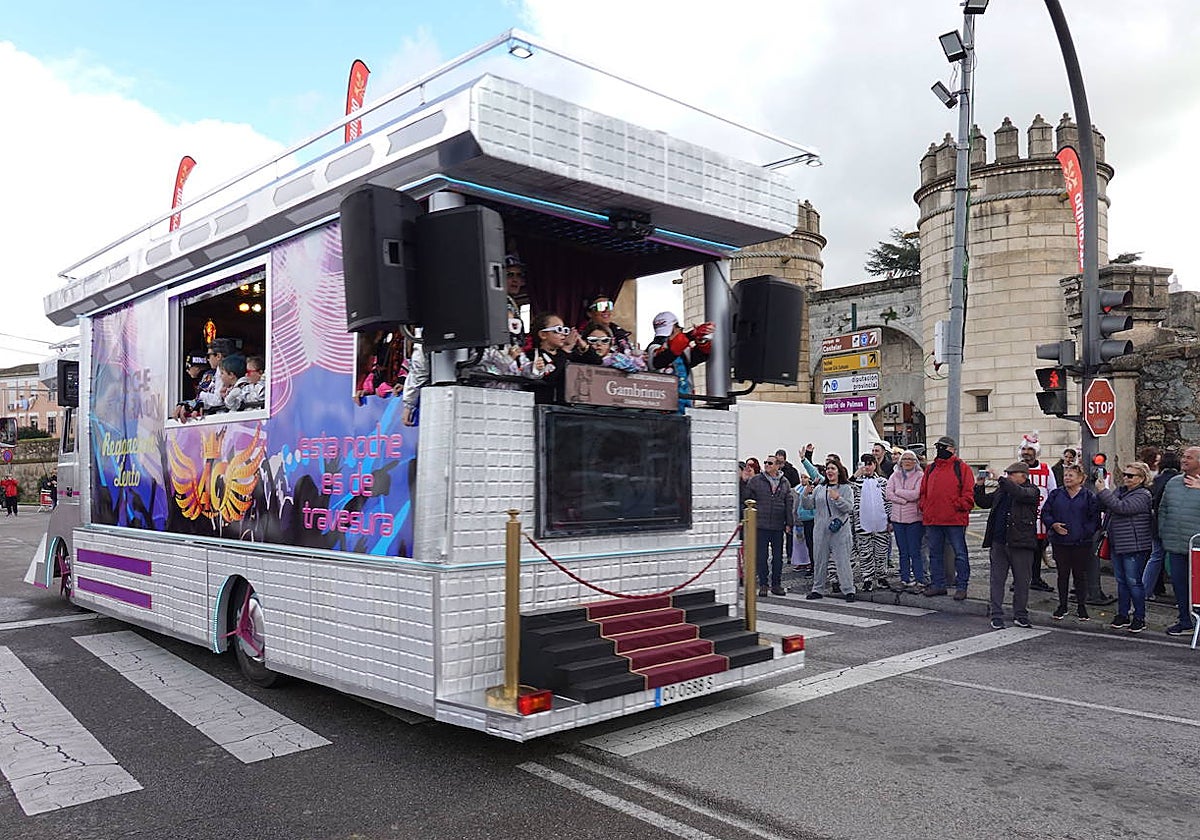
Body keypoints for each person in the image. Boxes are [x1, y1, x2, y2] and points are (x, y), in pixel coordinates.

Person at [976, 462, 1040, 629]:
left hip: (1021, 543)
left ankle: (1020, 614)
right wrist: (979, 486)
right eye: (1007, 474)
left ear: (1023, 476)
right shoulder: (1003, 490)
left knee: (1022, 582)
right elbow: (984, 502)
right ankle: (996, 614)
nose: (1009, 477)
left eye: (1012, 474)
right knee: (997, 580)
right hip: (999, 541)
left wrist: (1001, 479)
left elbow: (1019, 493)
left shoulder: (1031, 490)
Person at [1096, 461, 1155, 633]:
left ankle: (1139, 617)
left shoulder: (1143, 495)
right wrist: (1101, 494)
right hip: (1118, 543)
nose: (1126, 478)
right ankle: (1122, 614)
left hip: (1134, 545)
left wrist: (1103, 491)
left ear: (1141, 478)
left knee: (1134, 582)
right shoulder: (1120, 491)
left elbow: (1122, 508)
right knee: (1121, 581)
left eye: (1130, 475)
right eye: (1125, 474)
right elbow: (1107, 506)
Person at [1041, 464, 1101, 621]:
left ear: (1080, 479)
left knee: (1080, 575)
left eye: (1071, 475)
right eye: (1066, 475)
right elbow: (1046, 513)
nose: (1067, 478)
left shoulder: (1088, 496)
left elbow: (1094, 519)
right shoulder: (1056, 494)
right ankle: (1062, 605)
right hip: (1060, 542)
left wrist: (1084, 533)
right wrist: (1053, 525)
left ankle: (1081, 606)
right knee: (1062, 574)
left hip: (1081, 543)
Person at [920, 435, 975, 599]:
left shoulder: (962, 468)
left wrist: (957, 505)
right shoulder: (930, 468)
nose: (940, 450)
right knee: (935, 554)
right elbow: (923, 492)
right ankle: (938, 584)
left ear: (953, 449)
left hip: (954, 519)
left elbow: (968, 494)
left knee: (960, 554)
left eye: (944, 447)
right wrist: (925, 507)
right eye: (939, 447)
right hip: (933, 518)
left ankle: (962, 586)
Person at [1156, 445, 1200, 636]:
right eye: (1184, 456)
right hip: (1175, 544)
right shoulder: (1173, 482)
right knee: (1180, 585)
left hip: (1197, 547)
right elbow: (1163, 509)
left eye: (1189, 457)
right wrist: (1164, 532)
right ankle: (1185, 621)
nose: (1183, 460)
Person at [802, 460, 855, 602]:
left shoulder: (846, 488)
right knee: (819, 560)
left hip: (840, 530)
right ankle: (817, 589)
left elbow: (849, 508)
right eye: (828, 469)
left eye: (833, 468)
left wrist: (838, 498)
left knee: (843, 561)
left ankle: (849, 590)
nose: (829, 471)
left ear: (839, 471)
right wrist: (805, 495)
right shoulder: (820, 488)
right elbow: (808, 506)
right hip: (820, 530)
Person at [744, 456, 793, 597]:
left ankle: (776, 584)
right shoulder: (756, 480)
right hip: (761, 524)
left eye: (770, 463)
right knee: (762, 556)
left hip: (778, 524)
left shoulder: (784, 482)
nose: (766, 465)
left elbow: (788, 503)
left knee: (778, 557)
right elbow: (747, 498)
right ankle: (763, 584)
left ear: (777, 466)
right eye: (765, 462)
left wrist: (789, 523)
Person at [646, 311, 712, 412]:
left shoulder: (683, 349)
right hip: (663, 405)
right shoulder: (653, 348)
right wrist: (690, 335)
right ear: (674, 328)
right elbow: (662, 359)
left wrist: (702, 340)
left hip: (686, 401)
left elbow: (699, 356)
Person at [1017, 432, 1057, 593]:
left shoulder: (1046, 469)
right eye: (1024, 450)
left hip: (1041, 519)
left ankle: (1035, 578)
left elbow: (1053, 492)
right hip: (1020, 519)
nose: (1026, 453)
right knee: (1020, 553)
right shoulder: (1016, 469)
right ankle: (1020, 580)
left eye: (1030, 450)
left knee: (1038, 551)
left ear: (1036, 452)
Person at [519, 313, 581, 404]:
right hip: (544, 406)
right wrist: (565, 350)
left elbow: (596, 362)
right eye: (558, 330)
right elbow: (550, 377)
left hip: (568, 406)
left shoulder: (567, 354)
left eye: (564, 330)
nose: (563, 334)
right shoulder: (533, 355)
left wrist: (583, 345)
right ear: (543, 334)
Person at [886, 449, 926, 592]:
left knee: (915, 551)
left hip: (914, 519)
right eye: (905, 459)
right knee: (903, 551)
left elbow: (916, 494)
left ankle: (920, 580)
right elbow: (888, 493)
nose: (908, 462)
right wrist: (903, 500)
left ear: (916, 462)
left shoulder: (920, 475)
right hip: (897, 519)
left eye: (911, 459)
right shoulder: (894, 475)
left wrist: (898, 492)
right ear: (900, 461)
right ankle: (905, 579)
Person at [852, 454, 892, 591]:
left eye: (870, 464)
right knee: (865, 552)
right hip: (862, 523)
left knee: (881, 552)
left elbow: (888, 501)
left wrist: (890, 519)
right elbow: (846, 489)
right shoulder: (855, 484)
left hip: (881, 523)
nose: (867, 467)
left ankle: (881, 576)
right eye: (864, 464)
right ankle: (867, 578)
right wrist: (855, 475)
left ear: (875, 465)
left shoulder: (883, 482)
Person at [1143, 450, 1180, 600]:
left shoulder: (1157, 480)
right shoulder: (1178, 481)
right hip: (1173, 527)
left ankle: (1146, 590)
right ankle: (1180, 595)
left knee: (1155, 557)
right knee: (1177, 562)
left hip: (1156, 524)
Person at [175, 337, 236, 421]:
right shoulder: (216, 372)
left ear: (218, 356)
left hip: (224, 419)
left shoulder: (229, 372)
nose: (207, 359)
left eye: (208, 355)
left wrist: (200, 396)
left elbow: (218, 400)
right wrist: (192, 403)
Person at [576, 323, 645, 371]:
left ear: (611, 343)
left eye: (605, 340)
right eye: (593, 340)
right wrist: (586, 349)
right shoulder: (578, 358)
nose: (599, 344)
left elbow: (636, 367)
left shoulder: (615, 358)